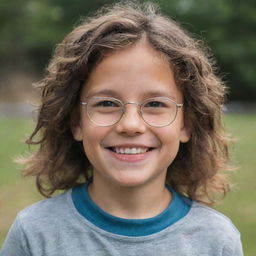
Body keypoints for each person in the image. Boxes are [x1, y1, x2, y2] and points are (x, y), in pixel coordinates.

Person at [0, 1, 243, 255]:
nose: (130, 124)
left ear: (187, 124)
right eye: (106, 103)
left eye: (155, 104)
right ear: (76, 122)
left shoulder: (216, 241)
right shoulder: (34, 234)